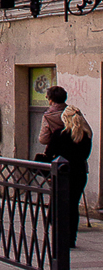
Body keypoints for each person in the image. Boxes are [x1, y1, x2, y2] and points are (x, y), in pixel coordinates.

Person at [43, 106, 93, 248]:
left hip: (61, 174)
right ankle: (71, 238)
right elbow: (85, 155)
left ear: (65, 119)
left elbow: (49, 154)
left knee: (57, 206)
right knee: (73, 206)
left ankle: (60, 236)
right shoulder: (86, 135)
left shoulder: (59, 134)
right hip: (79, 174)